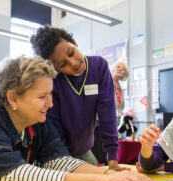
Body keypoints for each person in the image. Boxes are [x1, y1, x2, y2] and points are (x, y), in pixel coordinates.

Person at [0, 56, 155, 181]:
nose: (50, 104)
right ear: (13, 98)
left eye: (50, 95)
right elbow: (24, 177)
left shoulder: (37, 123)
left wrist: (109, 173)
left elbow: (59, 161)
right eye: (42, 97)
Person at [30, 25, 124, 170]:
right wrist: (65, 163)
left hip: (84, 151)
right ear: (55, 69)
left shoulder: (99, 67)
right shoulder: (54, 81)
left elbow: (107, 113)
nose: (73, 63)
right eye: (63, 64)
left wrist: (112, 159)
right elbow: (55, 129)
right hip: (58, 154)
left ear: (74, 42)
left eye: (71, 52)